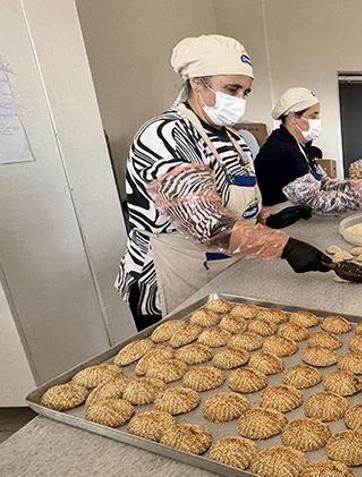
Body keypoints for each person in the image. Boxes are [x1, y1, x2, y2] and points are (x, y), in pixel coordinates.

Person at [115, 35, 331, 330]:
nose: (240, 99)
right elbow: (207, 224)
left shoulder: (233, 139)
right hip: (172, 277)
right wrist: (286, 247)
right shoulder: (165, 134)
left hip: (224, 269)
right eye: (232, 89)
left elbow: (236, 204)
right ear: (197, 82)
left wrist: (268, 219)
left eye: (245, 91)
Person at [254, 87, 362, 214]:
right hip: (282, 222)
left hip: (298, 216)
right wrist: (359, 198)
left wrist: (350, 186)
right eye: (313, 116)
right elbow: (312, 200)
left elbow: (322, 183)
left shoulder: (301, 147)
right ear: (294, 118)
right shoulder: (281, 151)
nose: (318, 121)